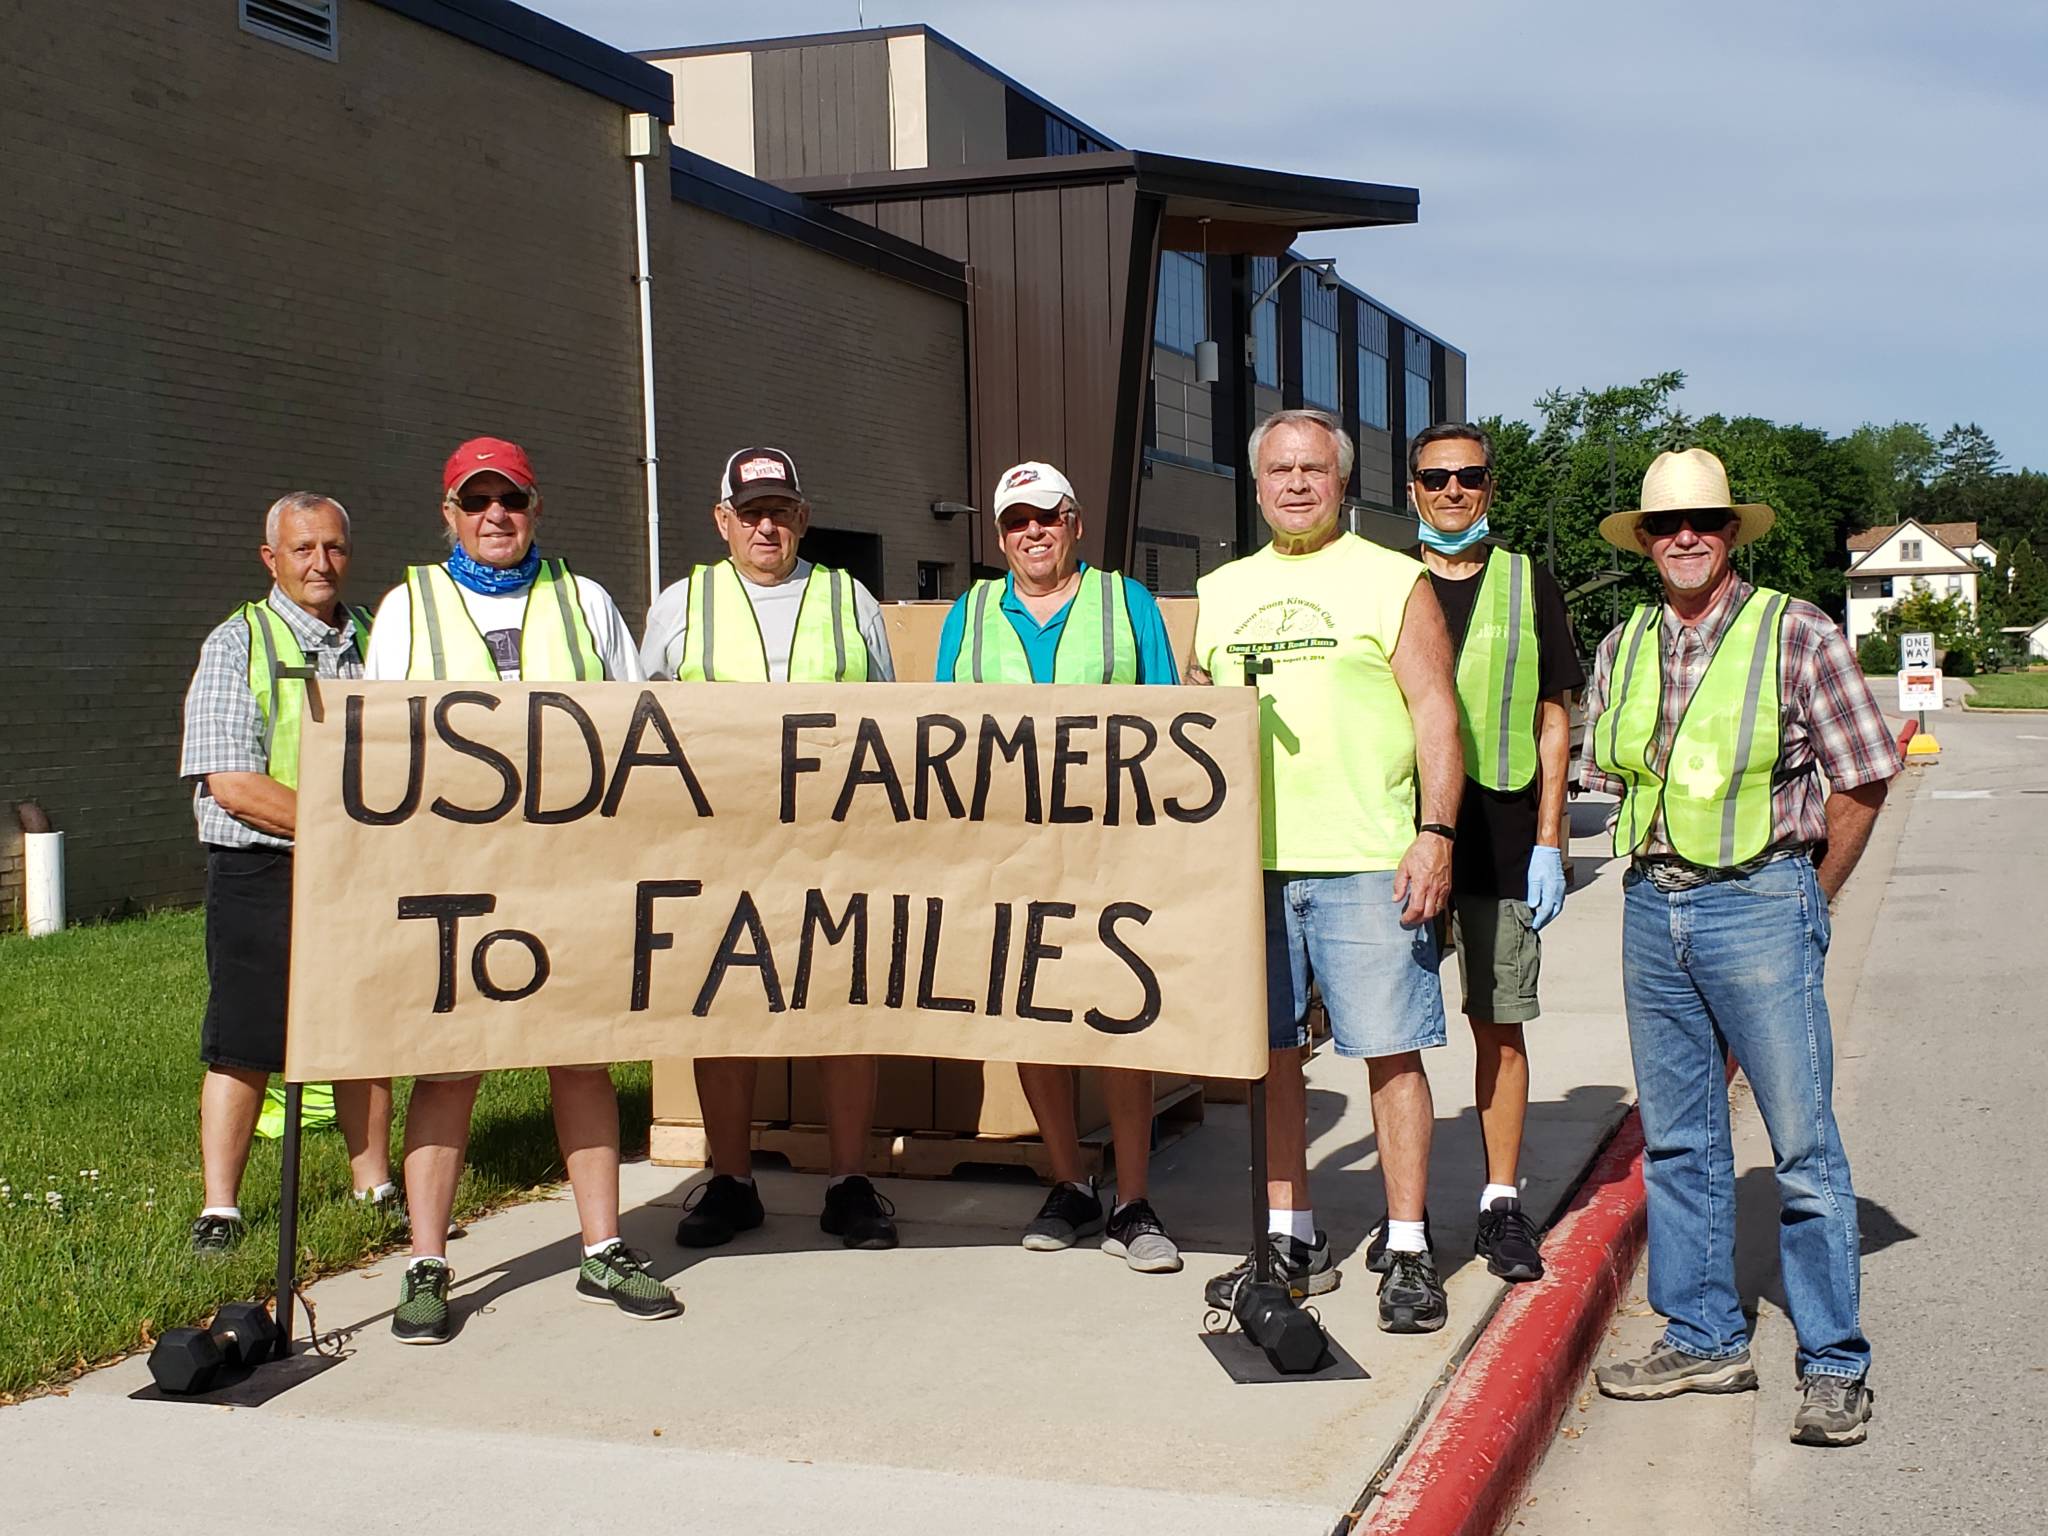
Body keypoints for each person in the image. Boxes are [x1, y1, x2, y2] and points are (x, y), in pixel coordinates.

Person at [1582, 448, 1897, 1448]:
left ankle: (1833, 1364)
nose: (1685, 537)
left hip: (1758, 902)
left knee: (1799, 1146)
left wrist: (1809, 895)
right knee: (1677, 1140)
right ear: (1643, 541)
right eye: (1667, 524)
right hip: (1650, 904)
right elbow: (1606, 768)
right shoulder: (1622, 643)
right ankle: (1704, 1334)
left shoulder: (1792, 631)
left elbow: (1862, 775)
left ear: (1730, 535)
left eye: (1705, 523)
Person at [363, 436, 680, 1342]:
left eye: (512, 499)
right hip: (453, 875)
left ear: (537, 510)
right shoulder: (407, 608)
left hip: (571, 870)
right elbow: (382, 748)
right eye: (477, 501)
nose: (495, 515)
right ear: (449, 513)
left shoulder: (584, 603)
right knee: (450, 1062)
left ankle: (603, 1248)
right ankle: (426, 1264)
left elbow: (639, 725)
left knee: (581, 1057)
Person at [1190, 409, 1465, 1334]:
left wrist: (1434, 832)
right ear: (1257, 483)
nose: (1296, 483)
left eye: (1314, 468)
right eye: (1279, 469)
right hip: (1254, 869)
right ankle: (1290, 1237)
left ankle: (1409, 1247)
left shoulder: (1395, 582)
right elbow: (1198, 730)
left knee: (1390, 1053)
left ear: (1343, 482)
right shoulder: (1220, 592)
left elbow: (1435, 712)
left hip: (1366, 861)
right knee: (1272, 1063)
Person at [640, 446, 901, 1253]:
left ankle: (850, 1182)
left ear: (803, 518)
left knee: (845, 1006)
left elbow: (891, 719)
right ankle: (731, 1179)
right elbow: (643, 727)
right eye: (750, 511)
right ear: (722, 520)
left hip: (835, 844)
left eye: (780, 510)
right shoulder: (682, 604)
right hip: (719, 847)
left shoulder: (847, 598)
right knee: (722, 1008)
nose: (765, 524)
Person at [932, 461, 1186, 1273]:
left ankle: (1135, 1201)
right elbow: (943, 730)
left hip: (1112, 851)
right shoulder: (971, 615)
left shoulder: (1124, 602)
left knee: (1118, 1019)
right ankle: (1072, 1182)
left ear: (1075, 522)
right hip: (1011, 855)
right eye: (1016, 522)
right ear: (999, 534)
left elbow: (1172, 725)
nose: (1032, 533)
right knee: (1033, 1014)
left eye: (1047, 517)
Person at [1376, 423, 1583, 1286]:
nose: (1453, 491)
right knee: (1398, 1029)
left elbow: (1552, 717)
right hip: (1405, 836)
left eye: (1469, 477)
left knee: (1498, 1022)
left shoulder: (1526, 580)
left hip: (1500, 837)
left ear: (1491, 486)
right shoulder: (1386, 584)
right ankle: (1406, 1221)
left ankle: (1501, 1202)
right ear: (1412, 489)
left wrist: (1548, 839)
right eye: (1436, 478)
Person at [178, 493, 395, 1254]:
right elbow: (230, 781)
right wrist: (339, 828)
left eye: (333, 547)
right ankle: (222, 1209)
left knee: (363, 1032)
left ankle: (374, 1188)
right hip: (261, 867)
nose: (320, 563)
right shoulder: (237, 641)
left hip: (359, 872)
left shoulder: (378, 637)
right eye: (302, 550)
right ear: (271, 558)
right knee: (243, 1038)